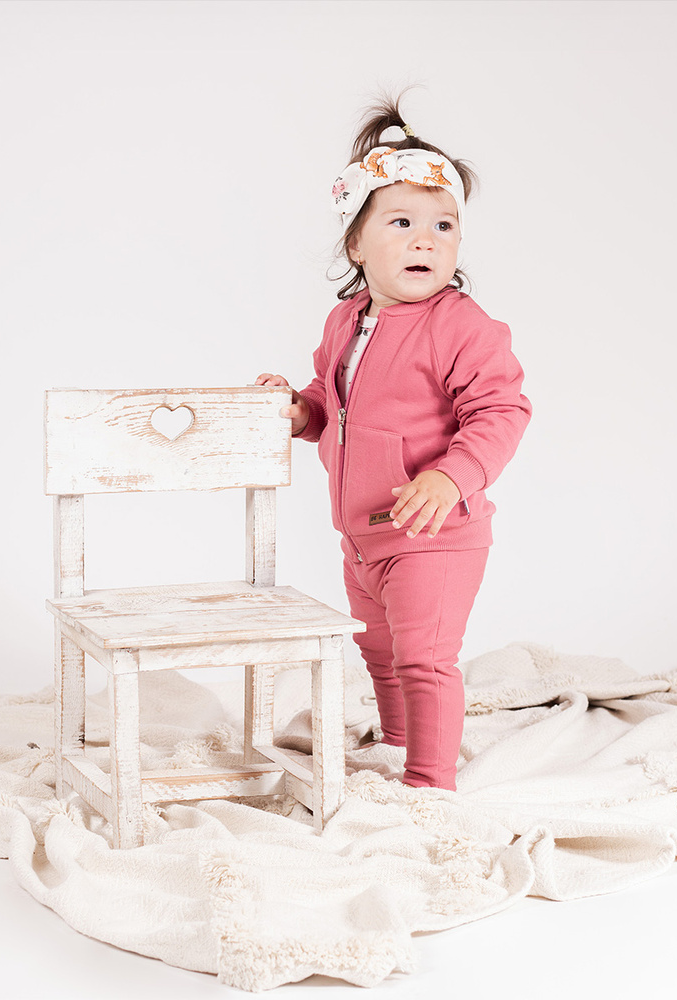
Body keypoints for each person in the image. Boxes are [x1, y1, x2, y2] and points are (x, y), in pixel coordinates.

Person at [256, 96, 532, 791]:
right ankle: (397, 742)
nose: (426, 241)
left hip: (433, 534)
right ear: (356, 243)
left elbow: (501, 410)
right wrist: (298, 410)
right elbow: (333, 404)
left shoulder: (461, 326)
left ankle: (430, 780)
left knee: (424, 659)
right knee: (379, 651)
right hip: (361, 536)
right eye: (402, 223)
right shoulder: (344, 321)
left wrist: (453, 475)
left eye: (444, 226)